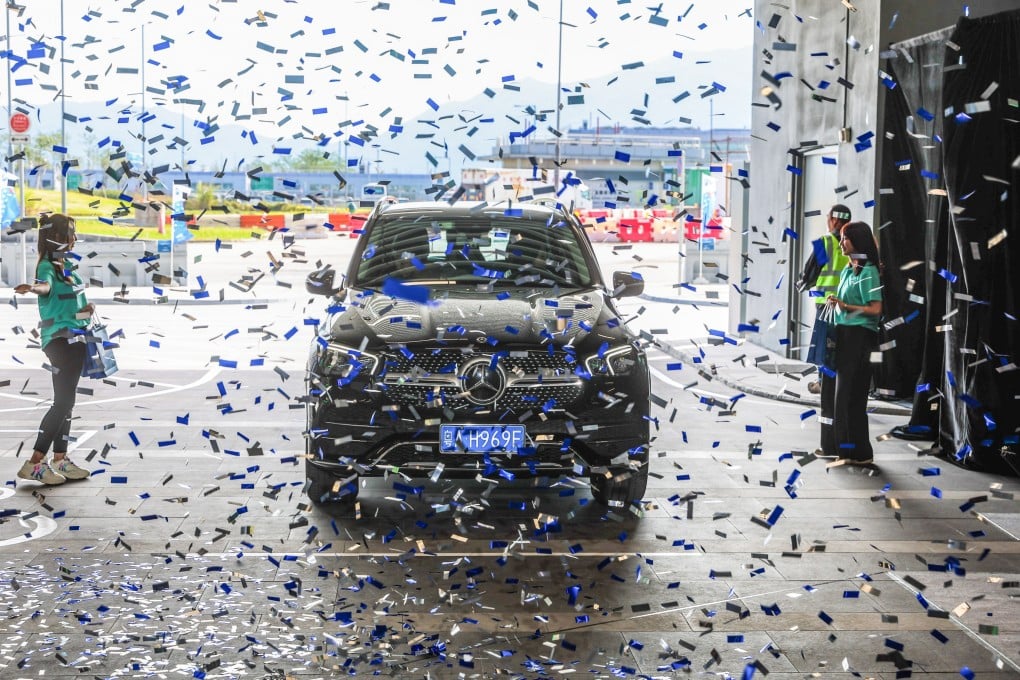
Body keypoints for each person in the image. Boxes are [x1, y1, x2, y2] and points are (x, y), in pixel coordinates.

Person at [13, 213, 94, 485]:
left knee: (68, 402)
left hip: (77, 337)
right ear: (56, 238)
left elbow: (73, 305)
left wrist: (87, 311)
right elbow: (45, 287)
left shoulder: (67, 266)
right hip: (60, 341)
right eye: (69, 233)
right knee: (62, 402)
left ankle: (61, 459)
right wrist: (33, 288)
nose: (73, 238)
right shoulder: (47, 266)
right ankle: (35, 462)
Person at [819, 221, 884, 464]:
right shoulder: (848, 270)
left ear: (856, 241)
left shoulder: (870, 273)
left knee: (850, 396)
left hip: (861, 339)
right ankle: (850, 452)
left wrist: (846, 307)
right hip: (844, 335)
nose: (841, 242)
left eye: (845, 238)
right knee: (841, 397)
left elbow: (875, 309)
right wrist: (836, 303)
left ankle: (855, 453)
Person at [797, 205, 852, 394]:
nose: (827, 222)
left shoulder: (825, 242)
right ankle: (842, 383)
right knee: (844, 345)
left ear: (835, 220)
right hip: (849, 304)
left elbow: (810, 272)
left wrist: (804, 282)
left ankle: (823, 383)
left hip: (827, 304)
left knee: (825, 345)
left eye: (828, 218)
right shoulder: (854, 241)